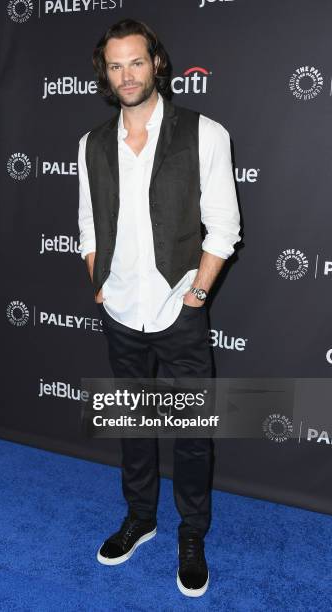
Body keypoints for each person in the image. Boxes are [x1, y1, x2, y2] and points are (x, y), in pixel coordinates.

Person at [77, 18, 241, 598]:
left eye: (136, 62)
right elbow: (87, 222)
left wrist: (196, 295)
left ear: (157, 64)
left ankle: (191, 533)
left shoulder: (205, 133)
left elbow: (223, 228)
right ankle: (140, 518)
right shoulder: (92, 143)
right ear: (106, 72)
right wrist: (99, 278)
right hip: (120, 312)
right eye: (115, 64)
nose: (126, 74)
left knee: (193, 434)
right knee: (133, 427)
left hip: (180, 311)